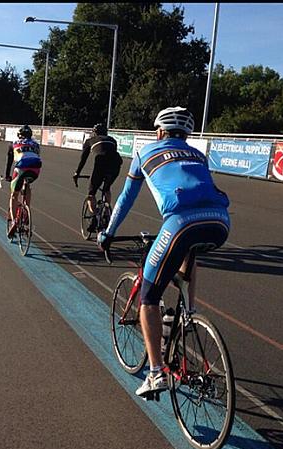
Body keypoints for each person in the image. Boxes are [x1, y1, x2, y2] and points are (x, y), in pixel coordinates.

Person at [97, 106, 230, 398]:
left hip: (180, 223)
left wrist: (108, 233)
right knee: (189, 249)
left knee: (149, 297)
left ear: (159, 132)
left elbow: (125, 199)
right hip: (220, 222)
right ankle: (189, 312)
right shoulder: (198, 155)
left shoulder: (146, 152)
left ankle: (156, 372)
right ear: (185, 134)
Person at [73, 123, 123, 219]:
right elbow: (111, 154)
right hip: (116, 165)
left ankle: (94, 217)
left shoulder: (89, 141)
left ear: (94, 133)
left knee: (91, 193)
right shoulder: (112, 140)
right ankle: (107, 212)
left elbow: (83, 160)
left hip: (101, 164)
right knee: (107, 188)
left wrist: (77, 173)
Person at [4, 125, 42, 239]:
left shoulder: (13, 143)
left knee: (14, 195)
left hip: (21, 167)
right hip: (36, 167)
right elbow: (35, 156)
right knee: (27, 183)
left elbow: (9, 162)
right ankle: (26, 209)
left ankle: (14, 221)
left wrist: (7, 176)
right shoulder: (36, 144)